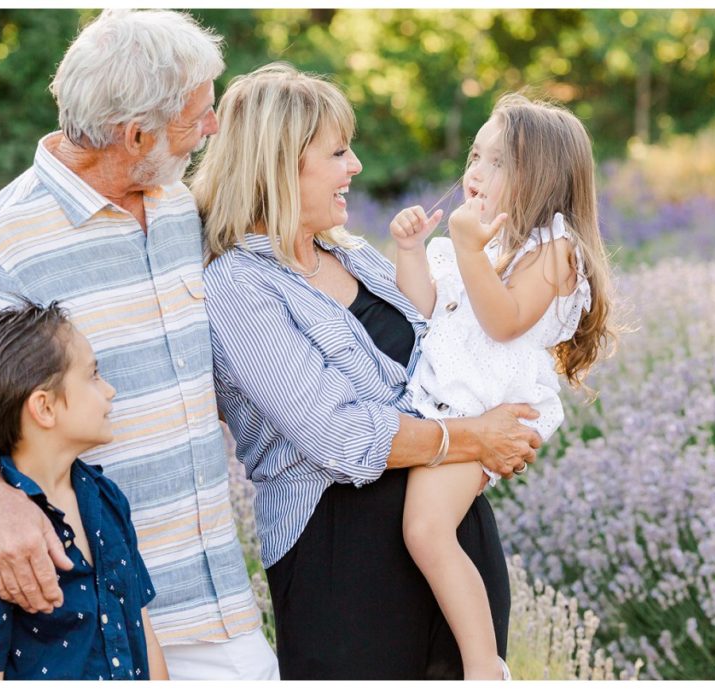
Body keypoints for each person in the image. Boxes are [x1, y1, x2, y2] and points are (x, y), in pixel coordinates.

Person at [0, 10, 278, 680]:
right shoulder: (2, 241)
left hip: (223, 610)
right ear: (134, 133)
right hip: (92, 627)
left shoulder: (179, 207)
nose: (213, 126)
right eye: (198, 113)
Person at [190, 62, 542, 680]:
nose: (355, 167)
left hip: (447, 536)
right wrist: (473, 438)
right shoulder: (236, 285)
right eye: (337, 152)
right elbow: (338, 435)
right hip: (343, 562)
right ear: (279, 164)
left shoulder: (352, 252)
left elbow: (443, 351)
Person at [390, 93, 616, 679]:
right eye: (473, 156)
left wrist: (468, 250)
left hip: (495, 405)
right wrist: (412, 251)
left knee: (426, 529)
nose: (473, 172)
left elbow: (504, 320)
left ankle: (483, 666)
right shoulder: (482, 243)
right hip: (444, 401)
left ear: (539, 177)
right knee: (422, 529)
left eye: (495, 162)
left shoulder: (554, 249)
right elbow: (423, 309)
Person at [0, 300, 168, 680]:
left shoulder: (106, 499)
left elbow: (143, 633)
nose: (109, 390)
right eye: (93, 375)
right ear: (44, 408)